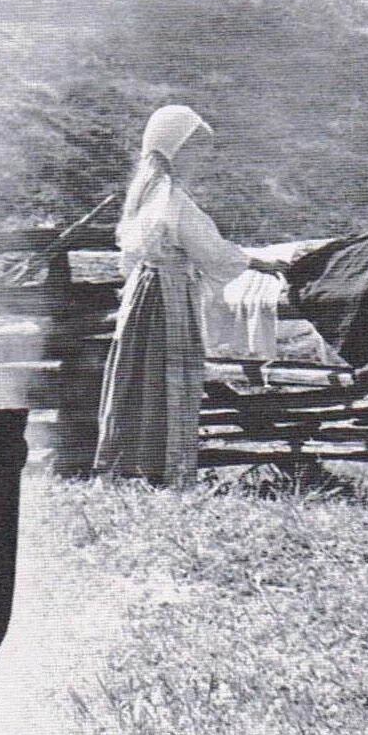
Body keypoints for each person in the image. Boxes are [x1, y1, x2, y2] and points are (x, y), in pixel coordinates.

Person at [94, 105, 269, 488]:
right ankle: (164, 471)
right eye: (195, 150)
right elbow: (212, 252)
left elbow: (131, 257)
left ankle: (126, 467)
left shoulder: (145, 194)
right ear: (176, 149)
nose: (200, 160)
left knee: (138, 377)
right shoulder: (171, 199)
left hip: (144, 295)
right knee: (168, 377)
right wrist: (260, 262)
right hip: (167, 297)